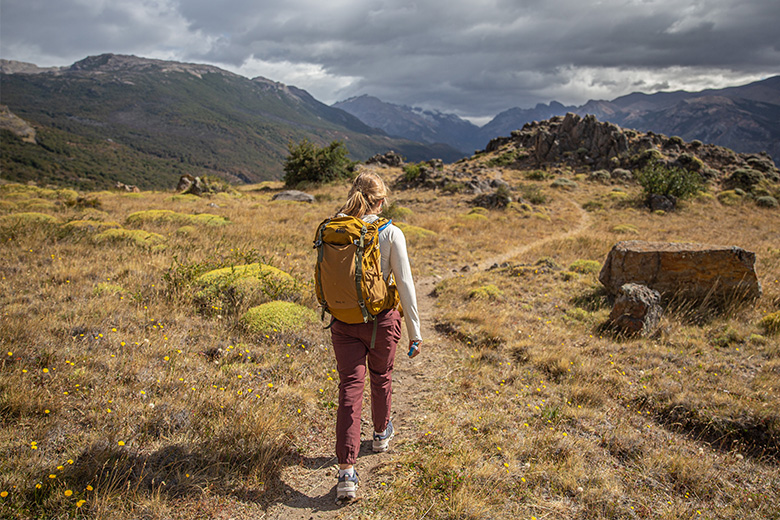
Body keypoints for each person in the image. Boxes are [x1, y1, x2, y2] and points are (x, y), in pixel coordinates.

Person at [329, 171, 422, 501]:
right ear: (381, 201)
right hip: (381, 322)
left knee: (349, 390)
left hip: (342, 322)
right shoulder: (390, 232)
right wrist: (415, 333)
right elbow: (406, 284)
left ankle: (346, 472)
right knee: (381, 376)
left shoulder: (335, 228)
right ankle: (381, 434)